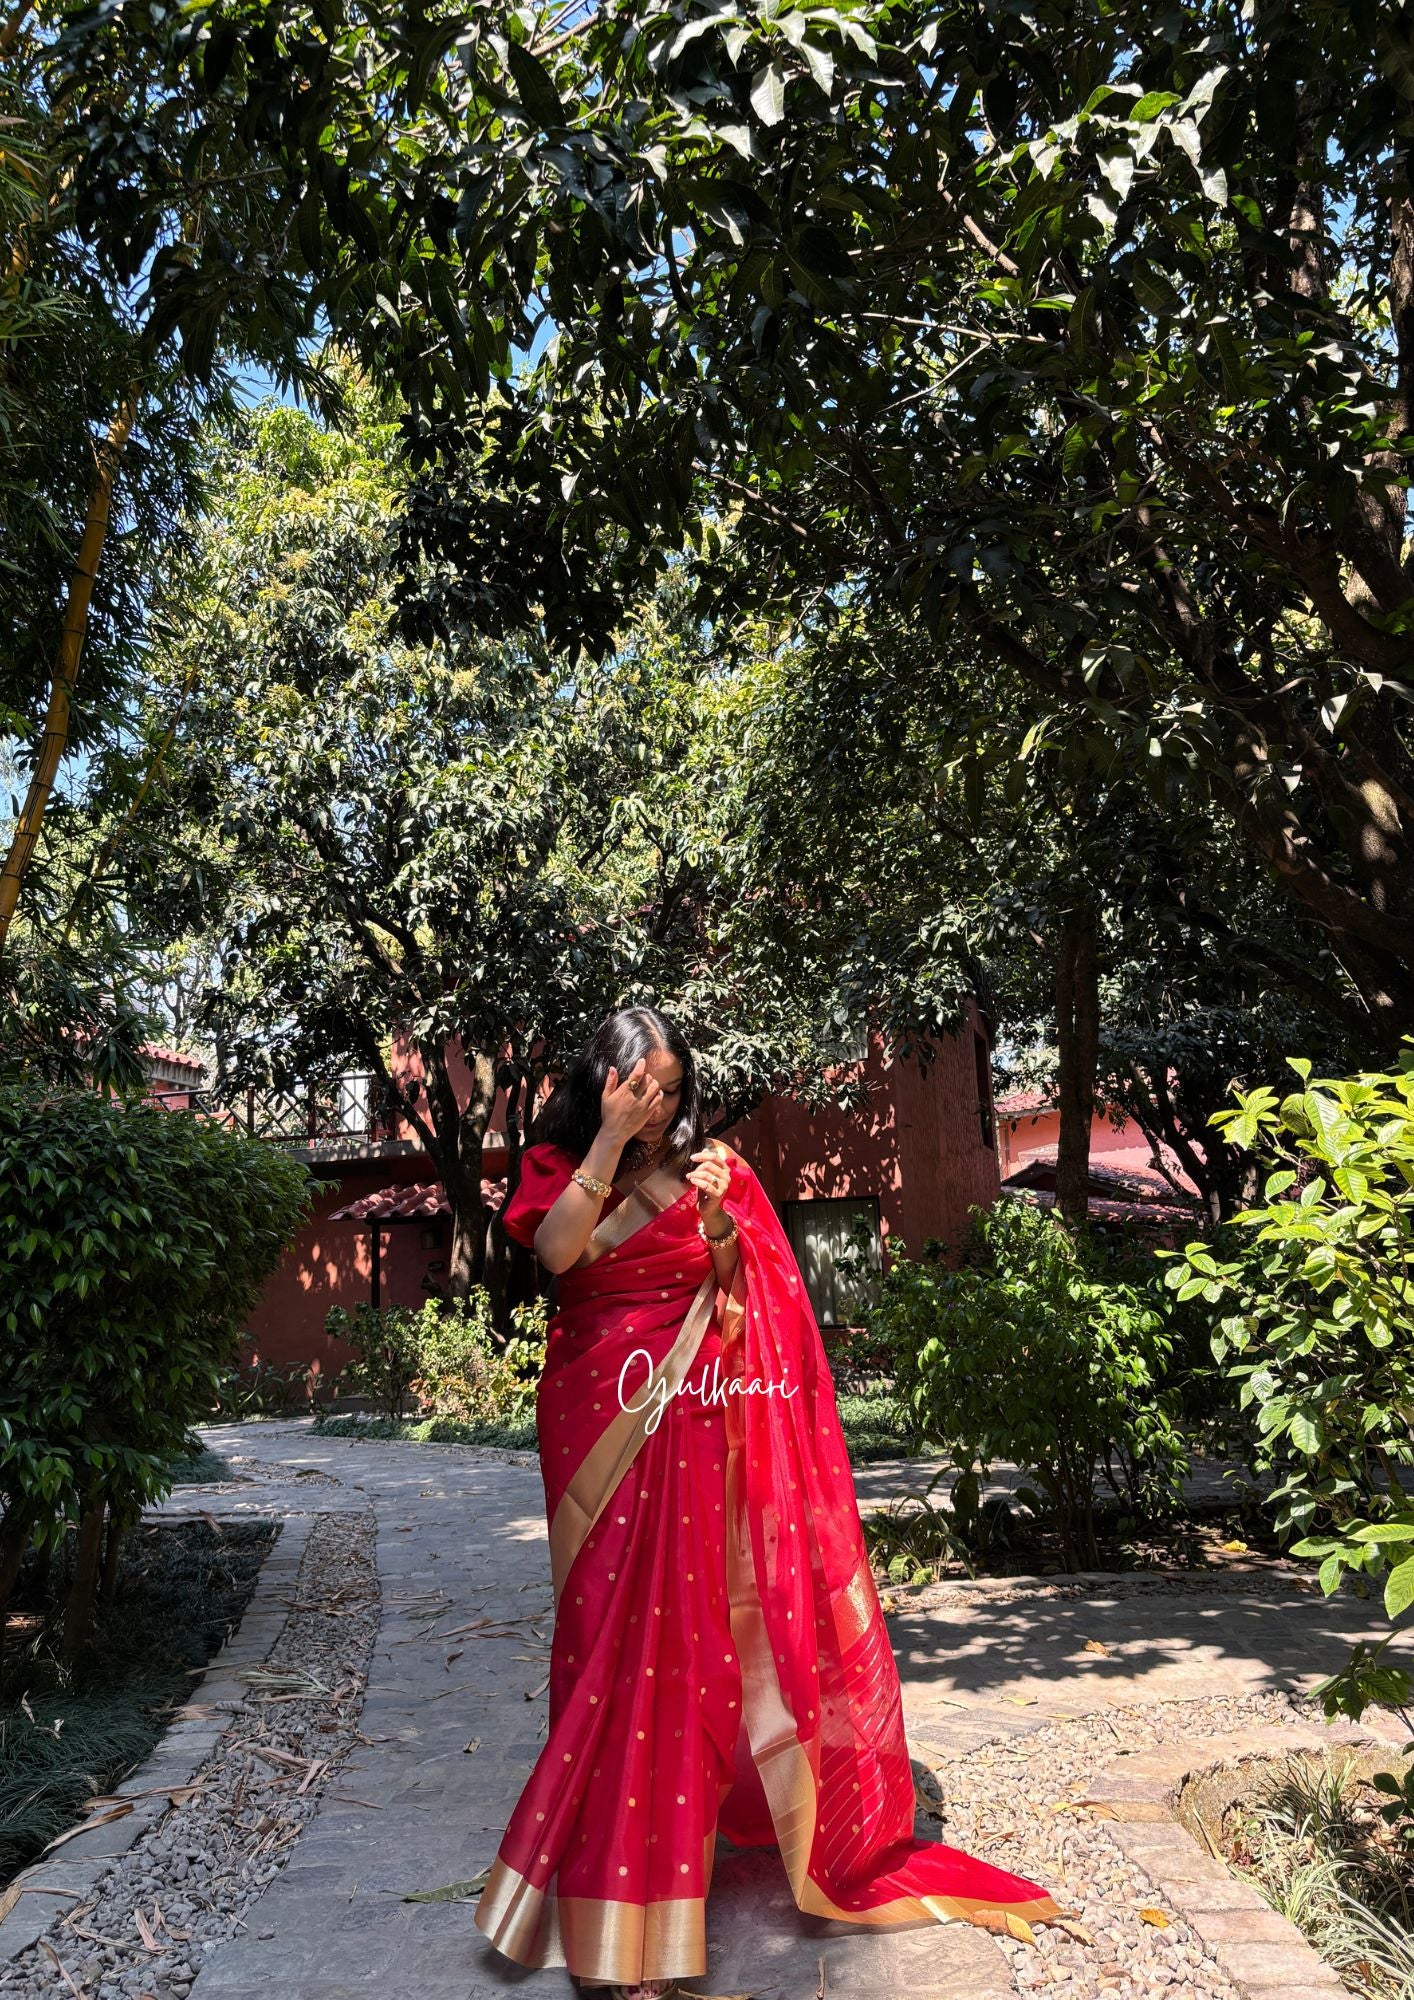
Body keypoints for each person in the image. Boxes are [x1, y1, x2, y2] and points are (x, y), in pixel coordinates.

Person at [472, 1006, 1060, 2000]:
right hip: (597, 1417)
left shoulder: (717, 1168)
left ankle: (650, 1917)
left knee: (688, 1650)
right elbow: (562, 1255)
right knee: (603, 1644)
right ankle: (611, 1902)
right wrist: (609, 1143)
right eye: (636, 1086)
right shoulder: (552, 1160)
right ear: (602, 1080)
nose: (655, 1105)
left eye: (667, 1088)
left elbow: (752, 1298)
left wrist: (714, 1228)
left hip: (697, 1420)